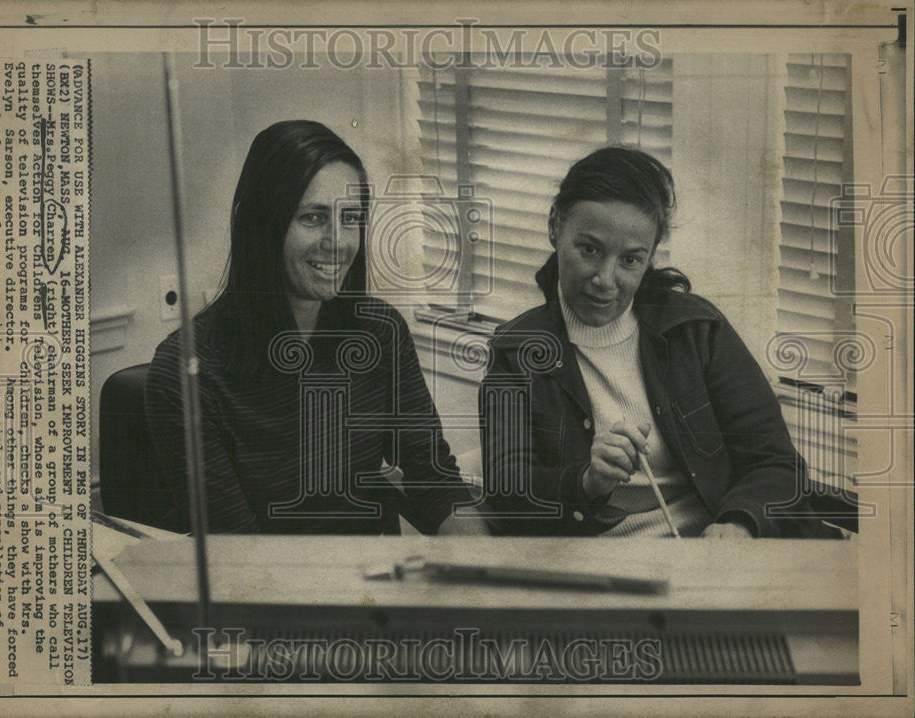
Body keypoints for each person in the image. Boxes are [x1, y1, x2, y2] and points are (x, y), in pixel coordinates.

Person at [145, 120, 486, 535]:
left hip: (368, 577)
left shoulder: (381, 333)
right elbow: (236, 552)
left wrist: (482, 570)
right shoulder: (185, 371)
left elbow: (432, 480)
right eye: (312, 217)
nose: (338, 241)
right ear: (261, 225)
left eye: (351, 218)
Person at [479, 146, 827, 538]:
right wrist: (587, 482)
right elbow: (507, 493)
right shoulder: (515, 353)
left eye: (630, 260)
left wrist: (738, 524)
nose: (605, 279)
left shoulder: (698, 330)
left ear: (650, 257)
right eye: (589, 249)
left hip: (720, 549)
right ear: (555, 227)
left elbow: (777, 463)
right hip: (611, 575)